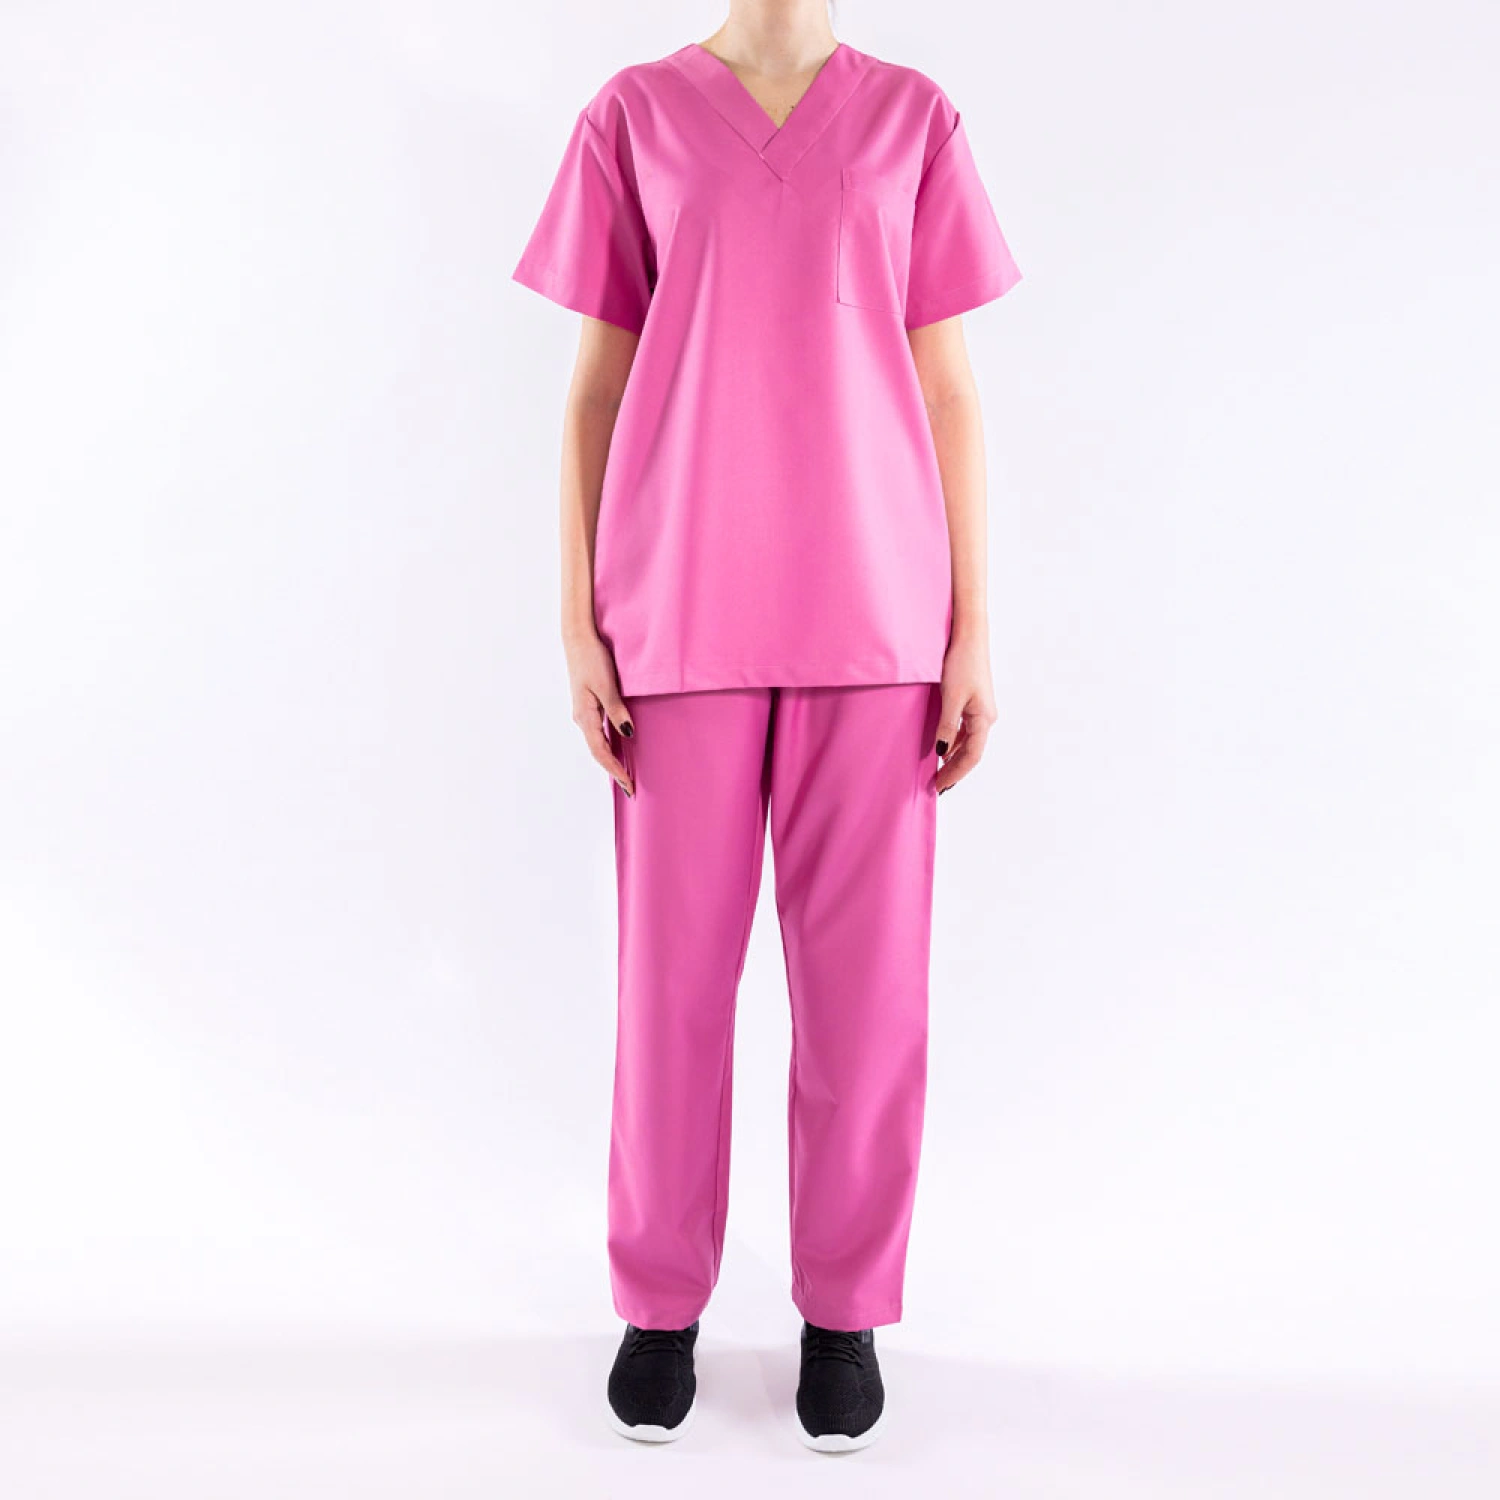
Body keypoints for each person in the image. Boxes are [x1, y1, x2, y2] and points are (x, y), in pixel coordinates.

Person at [512, 0, 1022, 1453]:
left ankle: (843, 1314)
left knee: (868, 998)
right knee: (670, 990)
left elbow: (947, 386)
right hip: (677, 611)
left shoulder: (913, 120)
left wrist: (972, 626)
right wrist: (577, 619)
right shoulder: (634, 117)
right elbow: (597, 387)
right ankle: (659, 1305)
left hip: (877, 615)